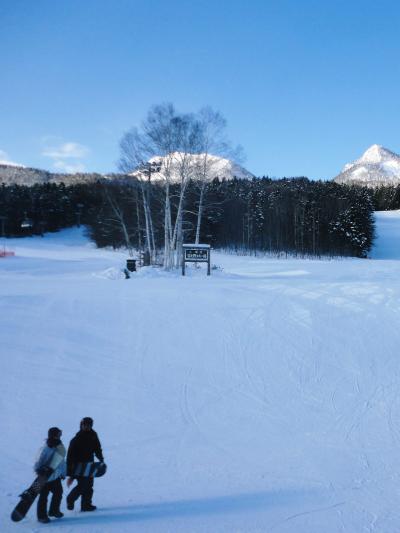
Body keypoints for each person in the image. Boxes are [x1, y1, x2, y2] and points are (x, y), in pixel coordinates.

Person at [66, 417, 104, 512]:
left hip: (90, 465)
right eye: (85, 425)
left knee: (89, 485)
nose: (87, 427)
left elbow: (97, 447)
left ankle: (86, 505)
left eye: (89, 425)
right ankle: (70, 499)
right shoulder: (76, 439)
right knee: (82, 485)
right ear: (81, 425)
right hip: (78, 465)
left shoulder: (93, 435)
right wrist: (71, 472)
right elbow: (70, 456)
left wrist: (101, 458)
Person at [34, 427, 66, 524]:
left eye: (60, 435)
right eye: (58, 435)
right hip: (44, 478)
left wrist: (63, 473)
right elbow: (37, 461)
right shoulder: (46, 448)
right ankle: (41, 516)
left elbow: (61, 462)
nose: (60, 436)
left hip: (55, 476)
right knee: (43, 496)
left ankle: (54, 510)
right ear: (54, 435)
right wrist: (39, 470)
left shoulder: (59, 446)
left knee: (58, 493)